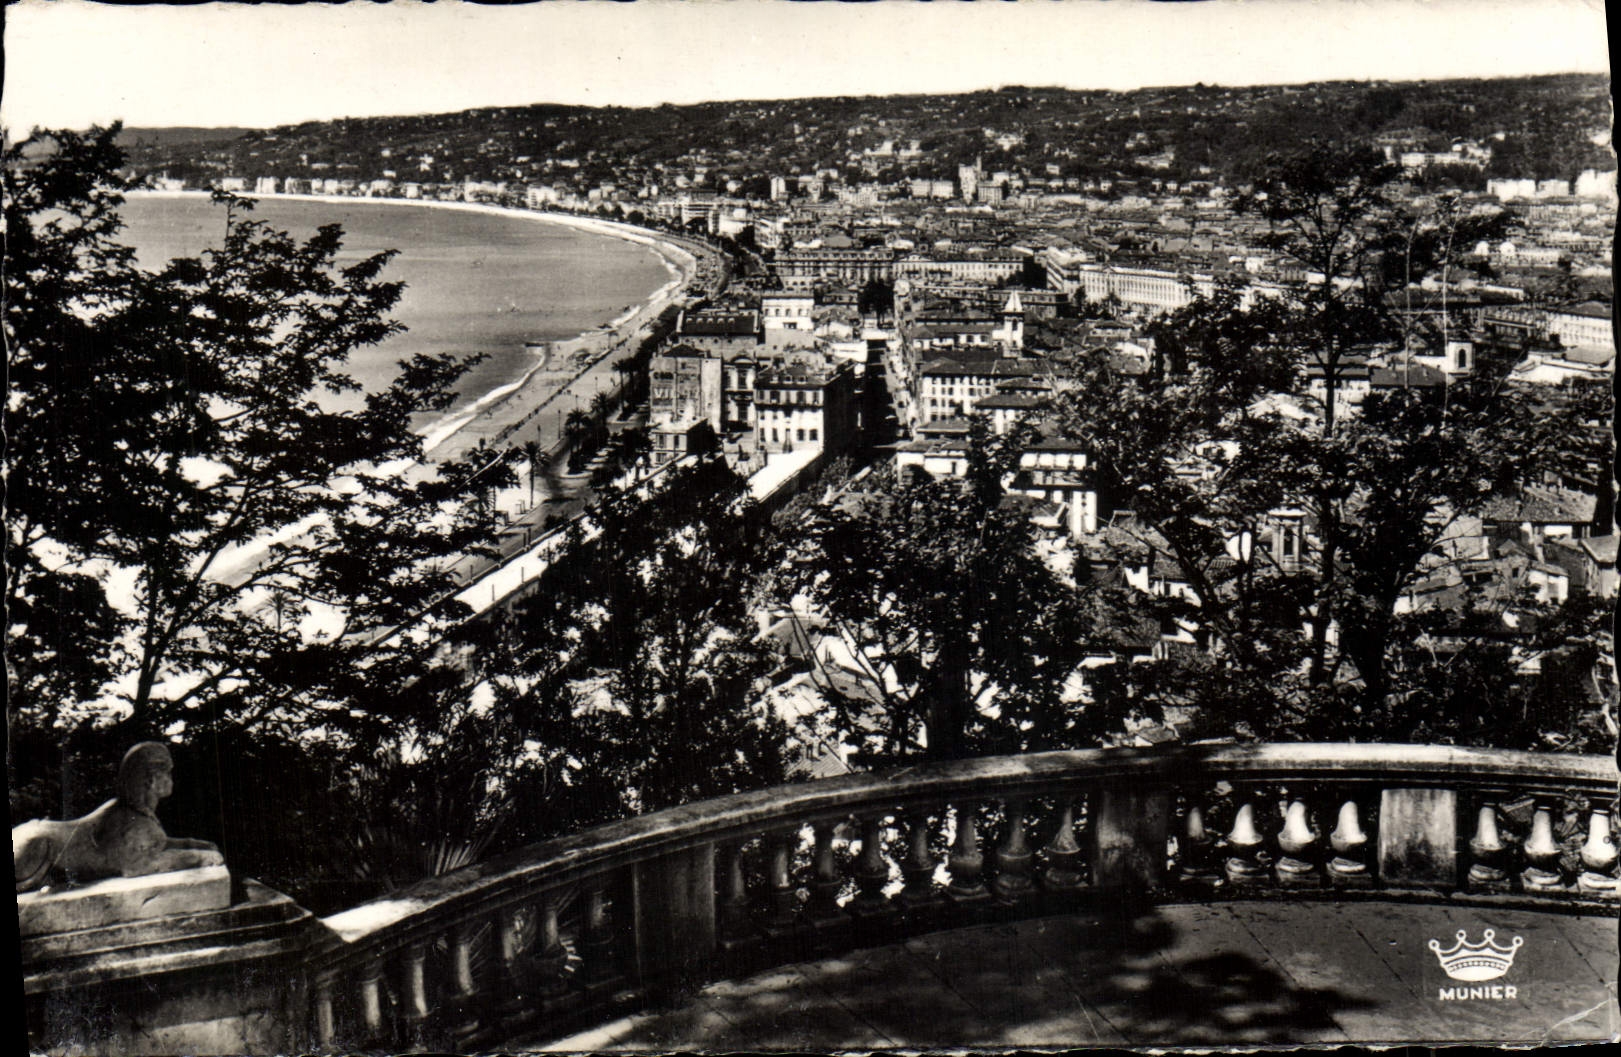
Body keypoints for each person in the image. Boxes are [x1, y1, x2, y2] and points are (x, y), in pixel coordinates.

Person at [13, 742, 223, 892]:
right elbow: (138, 865)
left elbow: (155, 844)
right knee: (37, 844)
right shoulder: (126, 817)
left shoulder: (133, 816)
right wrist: (199, 856)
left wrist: (191, 844)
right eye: (167, 773)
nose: (171, 779)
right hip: (34, 846)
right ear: (150, 780)